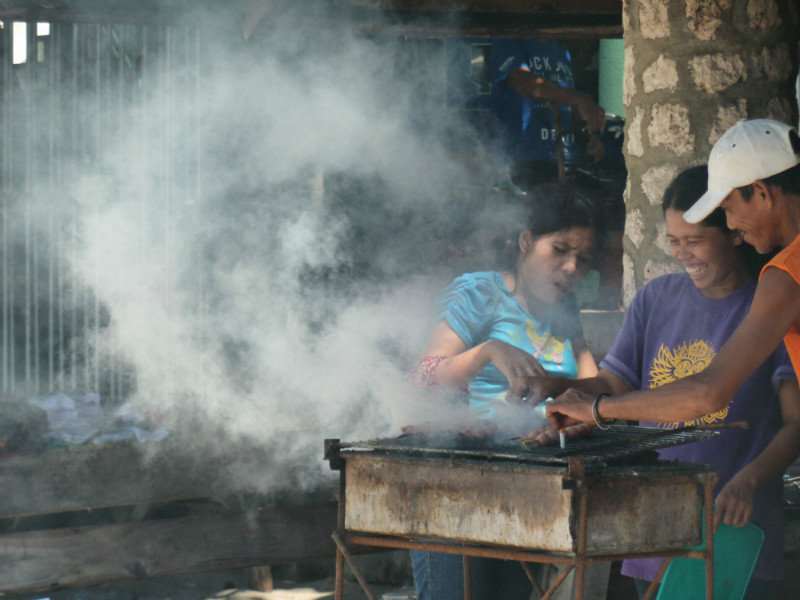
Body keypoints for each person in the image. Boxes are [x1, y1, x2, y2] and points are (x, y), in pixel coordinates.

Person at [508, 165, 800, 599]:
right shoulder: (655, 299)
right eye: (674, 242)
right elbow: (614, 382)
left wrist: (750, 480)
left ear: (734, 234)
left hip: (734, 528)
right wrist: (559, 387)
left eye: (696, 241)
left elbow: (795, 424)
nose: (683, 254)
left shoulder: (769, 304)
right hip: (652, 525)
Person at [409, 183, 609, 600]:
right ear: (525, 241)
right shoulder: (480, 292)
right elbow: (423, 375)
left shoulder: (566, 310)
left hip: (533, 491)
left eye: (584, 259)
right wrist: (487, 351)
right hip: (456, 490)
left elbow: (596, 390)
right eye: (560, 249)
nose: (572, 267)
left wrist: (585, 418)